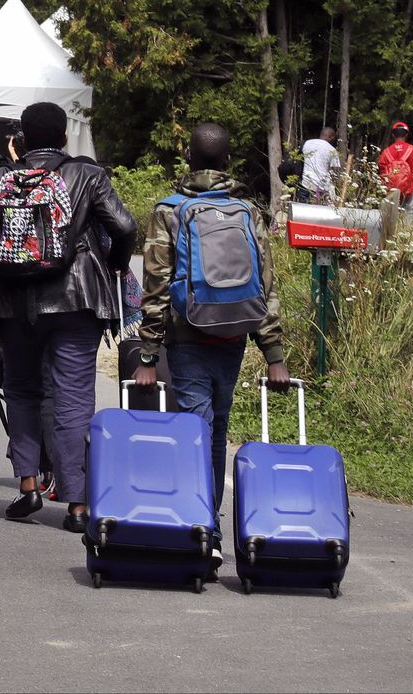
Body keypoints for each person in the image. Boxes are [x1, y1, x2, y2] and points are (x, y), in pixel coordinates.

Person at [0, 101, 137, 533]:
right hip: (77, 301)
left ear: (20, 141)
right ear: (63, 138)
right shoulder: (88, 175)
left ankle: (28, 486)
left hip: (14, 304)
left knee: (21, 389)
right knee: (74, 397)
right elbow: (125, 227)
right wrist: (115, 264)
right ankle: (77, 502)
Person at [133, 122, 291, 579]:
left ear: (188, 160)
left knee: (196, 429)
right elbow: (266, 285)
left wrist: (147, 356)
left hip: (188, 335)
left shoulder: (170, 210)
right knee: (216, 428)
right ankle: (208, 529)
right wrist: (274, 353)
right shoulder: (247, 211)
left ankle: (204, 532)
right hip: (234, 333)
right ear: (227, 162)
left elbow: (156, 286)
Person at [379, 121, 413, 210]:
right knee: (407, 222)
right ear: (406, 135)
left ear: (393, 135)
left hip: (390, 193)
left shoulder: (386, 152)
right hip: (410, 191)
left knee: (390, 221)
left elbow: (382, 173)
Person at [300, 127, 341, 201]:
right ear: (331, 137)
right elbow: (335, 172)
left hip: (305, 184)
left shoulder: (307, 143)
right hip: (321, 187)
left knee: (302, 209)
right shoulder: (332, 150)